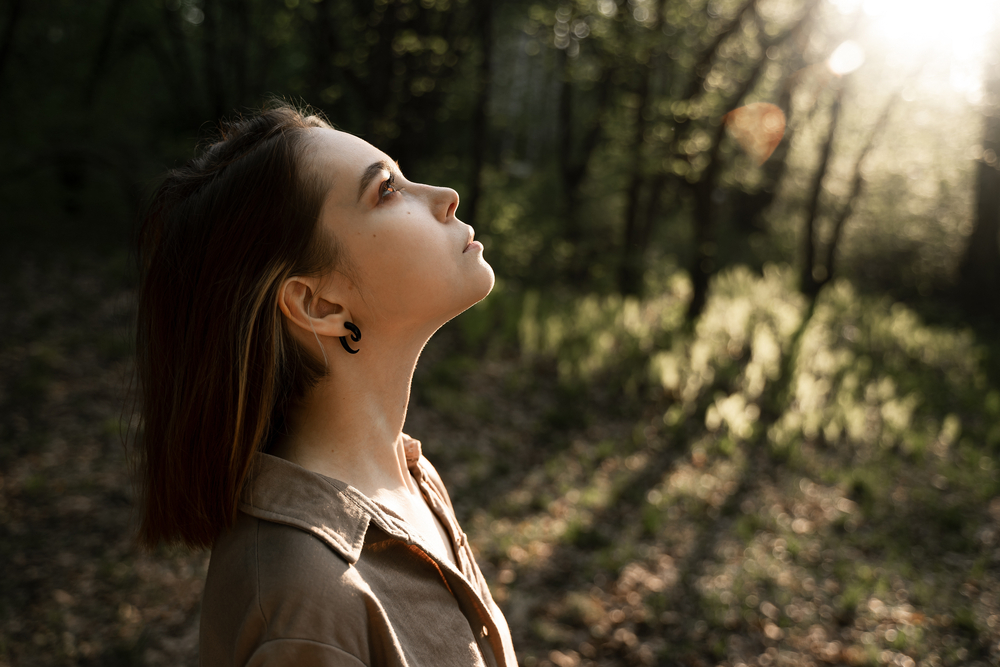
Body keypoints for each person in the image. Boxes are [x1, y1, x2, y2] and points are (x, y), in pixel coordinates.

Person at [133, 103, 516, 666]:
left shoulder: (410, 479)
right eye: (386, 190)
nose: (445, 195)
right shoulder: (309, 604)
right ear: (318, 304)